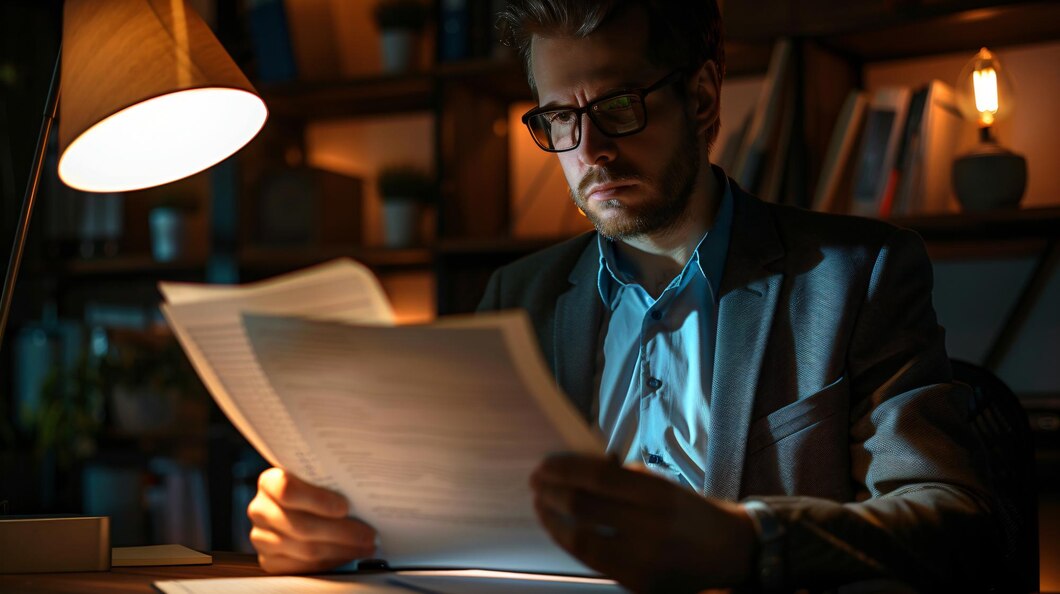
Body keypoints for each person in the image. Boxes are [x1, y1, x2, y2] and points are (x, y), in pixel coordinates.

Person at [248, 1, 1009, 591]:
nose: (590, 151)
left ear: (702, 98)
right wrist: (336, 532)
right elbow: (442, 520)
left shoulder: (855, 274)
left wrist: (743, 542)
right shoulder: (517, 298)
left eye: (617, 106)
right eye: (559, 118)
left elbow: (955, 521)